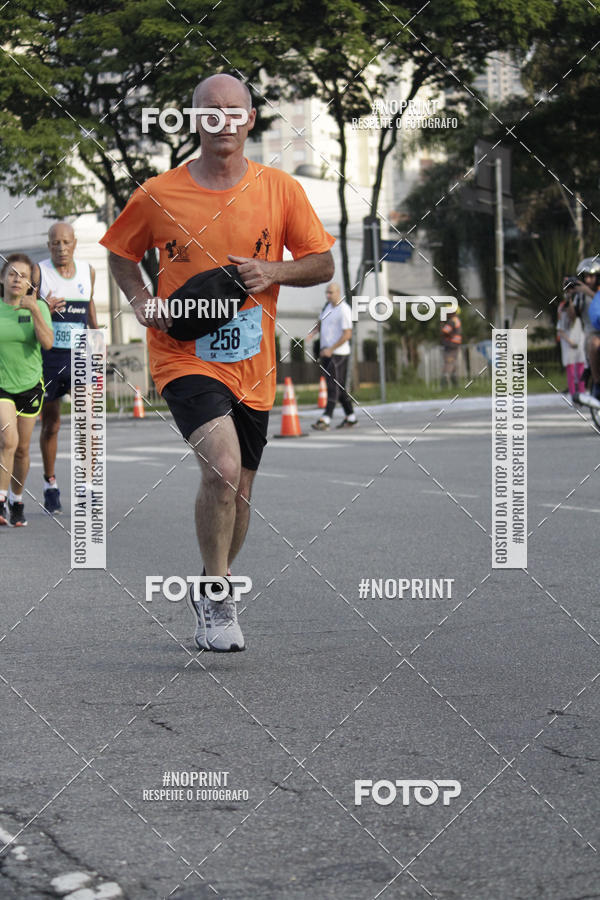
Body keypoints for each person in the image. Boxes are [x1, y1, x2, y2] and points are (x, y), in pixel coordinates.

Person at [101, 73, 334, 652]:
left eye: (234, 111)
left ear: (250, 119)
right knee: (223, 469)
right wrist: (142, 303)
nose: (223, 121)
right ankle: (219, 594)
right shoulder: (158, 193)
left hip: (253, 365)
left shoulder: (280, 189)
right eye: (210, 111)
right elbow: (121, 254)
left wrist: (273, 272)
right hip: (183, 354)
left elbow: (323, 263)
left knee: (242, 490)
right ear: (195, 120)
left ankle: (213, 584)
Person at [33, 222, 99, 514]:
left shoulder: (89, 271)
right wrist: (42, 306)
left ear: (75, 243)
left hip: (82, 351)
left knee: (87, 422)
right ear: (48, 245)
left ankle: (87, 488)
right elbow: (25, 308)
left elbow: (89, 304)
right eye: (55, 243)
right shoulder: (39, 271)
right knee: (52, 424)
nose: (61, 248)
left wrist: (98, 337)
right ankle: (50, 484)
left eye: (66, 243)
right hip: (50, 356)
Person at [0, 254, 54, 526]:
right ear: (2, 278)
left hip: (31, 386)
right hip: (1, 386)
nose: (16, 280)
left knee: (21, 449)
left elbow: (47, 343)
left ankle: (16, 499)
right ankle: (0, 501)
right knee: (7, 440)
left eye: (23, 276)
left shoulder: (39, 308)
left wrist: (33, 309)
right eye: (11, 274)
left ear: (30, 282)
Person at [309, 282, 357, 430]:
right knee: (339, 386)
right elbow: (320, 322)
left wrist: (331, 348)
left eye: (330, 292)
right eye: (326, 292)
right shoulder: (327, 307)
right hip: (326, 353)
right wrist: (313, 333)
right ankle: (351, 416)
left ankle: (326, 418)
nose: (328, 295)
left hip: (338, 353)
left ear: (338, 292)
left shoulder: (344, 310)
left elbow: (347, 334)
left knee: (332, 385)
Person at [565, 258, 600, 407]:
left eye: (591, 276)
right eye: (585, 276)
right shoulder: (580, 295)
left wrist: (588, 292)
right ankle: (598, 384)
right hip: (593, 333)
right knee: (594, 343)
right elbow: (572, 317)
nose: (588, 280)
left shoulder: (593, 292)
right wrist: (569, 298)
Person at [556, 295, 585, 400]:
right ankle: (573, 395)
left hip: (579, 346)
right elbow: (560, 331)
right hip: (568, 347)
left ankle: (582, 393)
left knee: (581, 372)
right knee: (571, 373)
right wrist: (570, 342)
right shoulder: (562, 312)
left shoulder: (579, 314)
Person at [440, 307, 462, 387]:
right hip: (455, 344)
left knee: (448, 362)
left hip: (450, 344)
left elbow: (444, 331)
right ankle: (455, 383)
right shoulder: (456, 320)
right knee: (452, 363)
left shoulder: (452, 321)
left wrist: (442, 323)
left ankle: (444, 382)